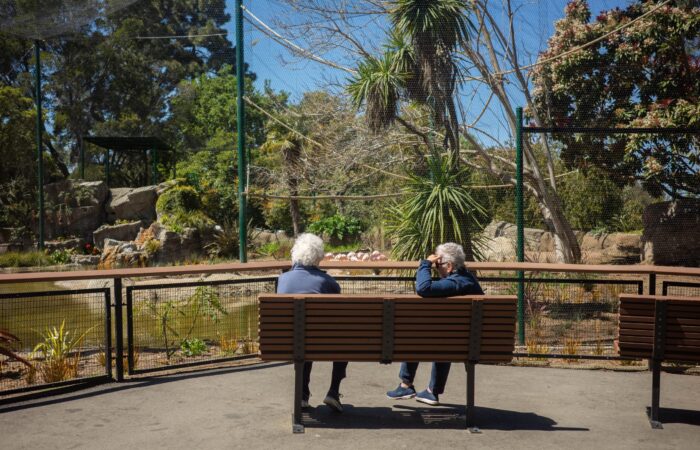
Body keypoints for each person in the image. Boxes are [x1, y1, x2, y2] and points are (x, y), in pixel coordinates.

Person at [386, 242, 484, 406]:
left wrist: (425, 264)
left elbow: (424, 288)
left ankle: (409, 385)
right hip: (471, 340)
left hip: (461, 343)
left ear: (450, 265)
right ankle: (426, 390)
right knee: (442, 335)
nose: (436, 268)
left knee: (417, 336)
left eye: (438, 265)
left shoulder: (456, 283)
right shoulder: (468, 280)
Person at [276, 233, 347, 413]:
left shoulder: (282, 279)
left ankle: (302, 396)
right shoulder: (328, 282)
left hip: (287, 343)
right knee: (344, 341)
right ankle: (333, 392)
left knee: (302, 338)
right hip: (322, 342)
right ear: (319, 257)